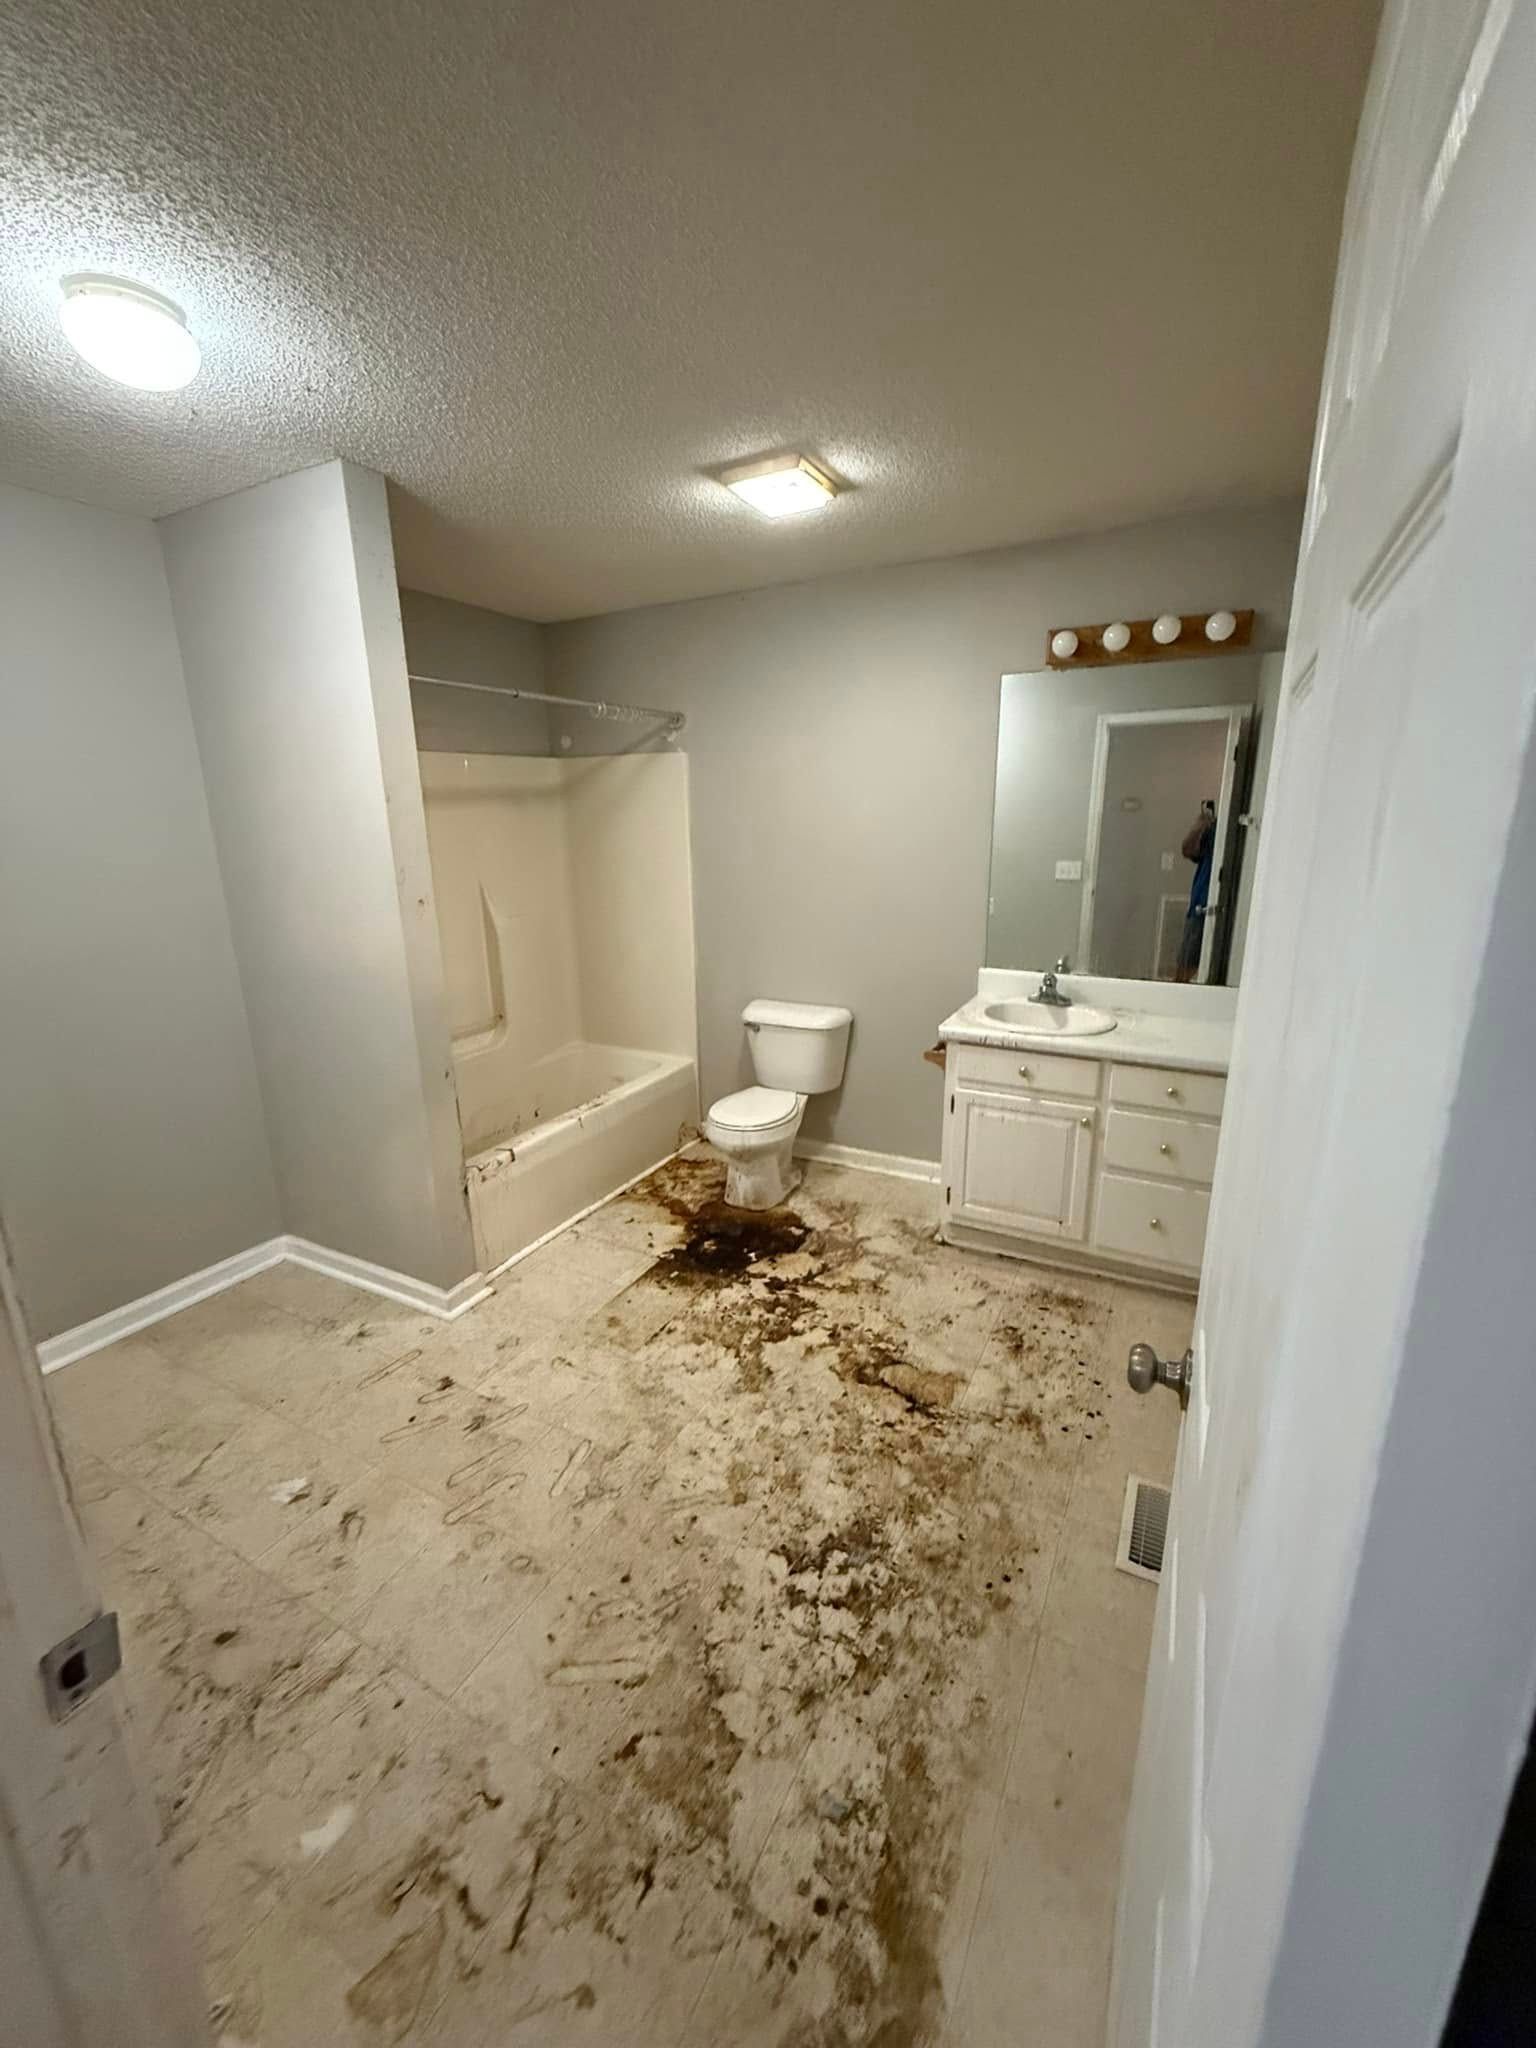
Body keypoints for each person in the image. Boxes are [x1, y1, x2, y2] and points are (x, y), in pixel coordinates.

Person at [1175, 800, 1217, 981]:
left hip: (1215, 908)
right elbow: (1187, 849)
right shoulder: (1213, 831)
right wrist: (1200, 826)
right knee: (1186, 967)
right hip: (1201, 907)